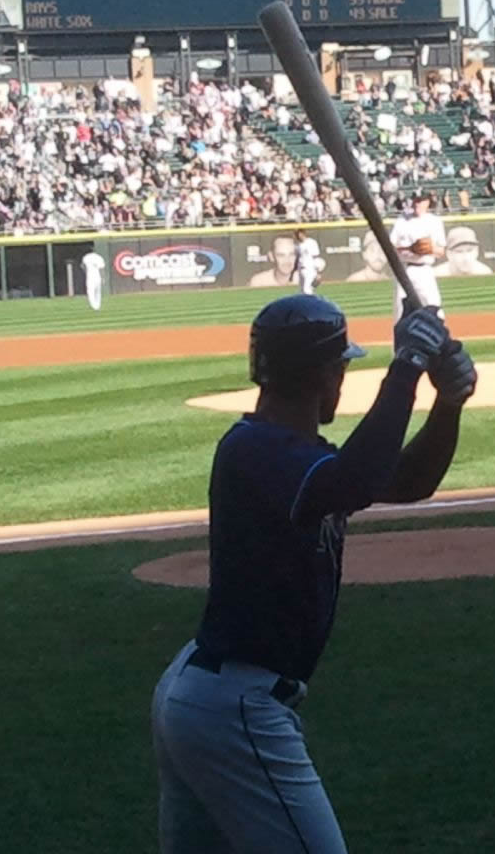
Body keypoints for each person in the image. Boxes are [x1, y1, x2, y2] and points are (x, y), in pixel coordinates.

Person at [151, 295, 477, 854]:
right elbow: (356, 481)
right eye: (340, 368)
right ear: (325, 373)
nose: (342, 381)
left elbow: (405, 480)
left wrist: (447, 405)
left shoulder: (293, 454)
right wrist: (405, 370)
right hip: (236, 708)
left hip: (205, 695)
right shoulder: (256, 451)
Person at [388, 192, 446, 319]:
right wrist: (410, 249)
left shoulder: (434, 221)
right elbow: (390, 248)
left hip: (425, 270)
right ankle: (400, 337)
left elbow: (441, 252)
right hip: (404, 269)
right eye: (415, 200)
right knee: (400, 310)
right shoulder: (402, 220)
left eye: (420, 201)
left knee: (433, 306)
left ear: (427, 203)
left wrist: (428, 249)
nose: (417, 204)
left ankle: (438, 336)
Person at [294, 229, 325, 295]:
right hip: (301, 269)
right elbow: (297, 258)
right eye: (296, 235)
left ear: (303, 234)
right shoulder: (298, 245)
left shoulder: (311, 242)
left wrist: (318, 271)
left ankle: (312, 303)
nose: (297, 236)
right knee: (302, 291)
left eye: (298, 235)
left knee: (307, 290)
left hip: (310, 268)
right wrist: (293, 271)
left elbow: (316, 257)